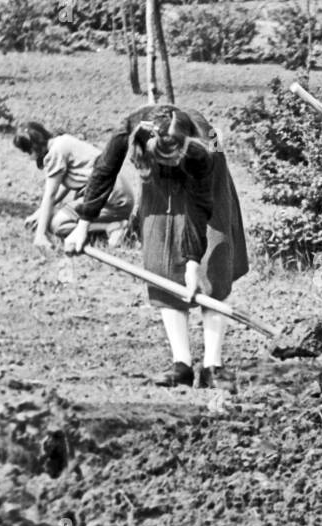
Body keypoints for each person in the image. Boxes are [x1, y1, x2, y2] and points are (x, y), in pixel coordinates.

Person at [64, 105, 249, 390]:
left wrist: (192, 263)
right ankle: (181, 365)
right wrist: (83, 224)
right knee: (161, 262)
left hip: (209, 188)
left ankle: (213, 366)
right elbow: (104, 170)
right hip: (158, 189)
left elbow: (199, 208)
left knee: (214, 264)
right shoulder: (130, 130)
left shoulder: (203, 146)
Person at [12, 121, 138, 249]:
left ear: (33, 147)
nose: (27, 157)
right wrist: (39, 213)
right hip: (120, 194)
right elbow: (63, 187)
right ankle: (113, 226)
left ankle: (113, 226)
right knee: (54, 215)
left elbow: (50, 194)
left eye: (26, 152)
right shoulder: (63, 141)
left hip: (111, 198)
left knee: (56, 224)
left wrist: (40, 234)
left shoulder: (55, 153)